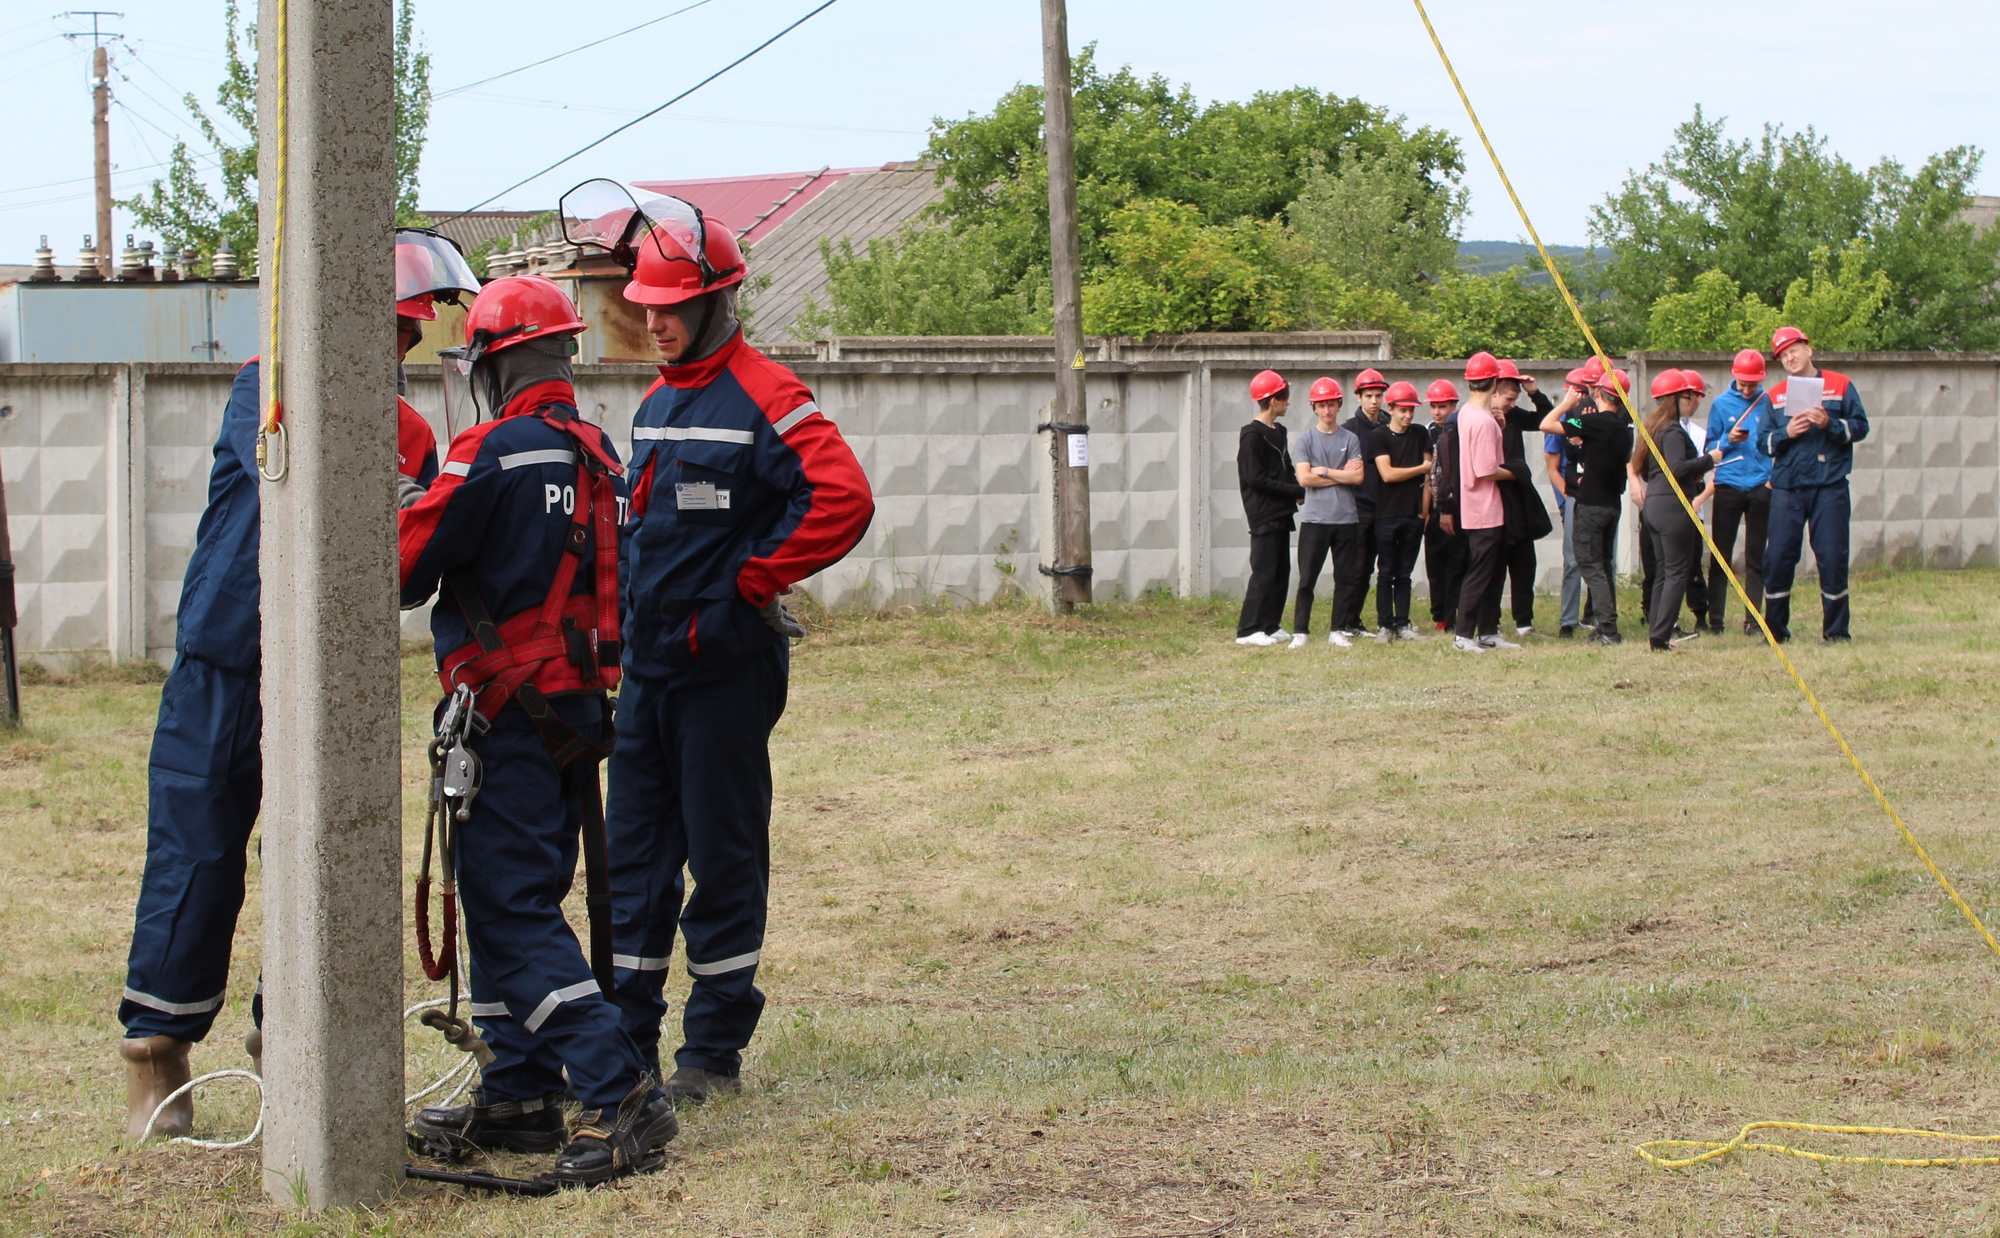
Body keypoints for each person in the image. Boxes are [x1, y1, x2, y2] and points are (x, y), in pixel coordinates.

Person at [117, 230, 473, 1141]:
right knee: (195, 854)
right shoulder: (264, 385)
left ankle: (296, 1043)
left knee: (316, 858)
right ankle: (156, 1052)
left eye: (404, 334)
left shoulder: (415, 434)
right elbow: (307, 481)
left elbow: (410, 555)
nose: (392, 350)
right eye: (384, 328)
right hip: (225, 664)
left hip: (329, 677)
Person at [400, 275, 675, 1185]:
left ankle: (618, 1088)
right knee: (515, 897)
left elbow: (405, 566)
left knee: (511, 910)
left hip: (509, 716)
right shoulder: (598, 452)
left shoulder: (492, 451)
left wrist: (397, 500)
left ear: (494, 364)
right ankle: (519, 1092)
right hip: (576, 711)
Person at [602, 204, 874, 1106]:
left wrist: (752, 584)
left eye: (671, 306)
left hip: (723, 672)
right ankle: (627, 1045)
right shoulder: (655, 401)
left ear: (719, 300)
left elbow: (841, 499)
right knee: (634, 861)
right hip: (648, 676)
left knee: (722, 859)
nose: (653, 320)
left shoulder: (768, 393)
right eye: (646, 305)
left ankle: (711, 1051)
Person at [1762, 325, 1869, 642]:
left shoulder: (1840, 385)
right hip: (1787, 488)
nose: (1789, 358)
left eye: (1793, 350)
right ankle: (1776, 631)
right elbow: (1762, 443)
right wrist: (1787, 433)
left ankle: (1836, 632)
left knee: (1832, 556)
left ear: (1809, 349)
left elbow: (1861, 427)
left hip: (1829, 486)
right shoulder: (1774, 396)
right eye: (1782, 356)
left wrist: (1831, 424)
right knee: (1779, 557)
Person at [1540, 367, 1635, 645]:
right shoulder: (1623, 429)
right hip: (1612, 505)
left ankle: (1608, 629)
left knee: (1589, 564)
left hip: (1590, 505)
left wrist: (1568, 404)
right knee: (1604, 564)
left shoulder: (1593, 424)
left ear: (1599, 393)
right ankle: (1605, 624)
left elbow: (1547, 424)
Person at [1634, 368, 1723, 651]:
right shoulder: (1672, 430)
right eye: (1688, 395)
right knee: (1676, 572)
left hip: (1654, 506)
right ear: (1677, 398)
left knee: (1663, 572)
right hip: (1672, 507)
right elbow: (1676, 468)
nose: (1692, 400)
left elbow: (1649, 472)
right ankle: (1661, 637)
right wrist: (1710, 459)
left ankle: (1656, 632)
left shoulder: (1653, 428)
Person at [1288, 377, 1366, 648]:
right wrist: (1341, 475)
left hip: (1346, 518)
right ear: (1314, 407)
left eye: (1331, 404)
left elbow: (1358, 478)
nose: (1326, 410)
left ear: (1338, 405)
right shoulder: (1305, 440)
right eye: (1321, 405)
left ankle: (1337, 629)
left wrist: (1326, 471)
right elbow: (1304, 480)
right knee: (1307, 578)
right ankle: (1300, 630)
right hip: (1315, 519)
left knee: (1345, 577)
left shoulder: (1351, 438)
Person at [1703, 348, 1774, 635]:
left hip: (1760, 485)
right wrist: (1727, 439)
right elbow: (1708, 449)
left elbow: (1777, 442)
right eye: (1743, 383)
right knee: (1721, 554)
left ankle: (1754, 620)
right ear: (1734, 377)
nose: (1747, 389)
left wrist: (1771, 479)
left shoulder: (1768, 403)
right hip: (1728, 484)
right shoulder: (1720, 405)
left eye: (1752, 384)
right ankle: (1716, 619)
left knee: (1757, 556)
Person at [1236, 369, 1305, 646]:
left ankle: (1270, 623)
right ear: (1272, 400)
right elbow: (1255, 478)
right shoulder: (1252, 435)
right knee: (1263, 571)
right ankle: (1248, 629)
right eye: (1284, 397)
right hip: (1263, 512)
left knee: (1280, 571)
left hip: (1282, 511)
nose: (1288, 402)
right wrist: (1294, 490)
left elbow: (1285, 466)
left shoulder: (1280, 431)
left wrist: (1297, 488)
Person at [1451, 353, 1514, 652]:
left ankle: (1488, 630)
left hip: (1474, 506)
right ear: (1494, 382)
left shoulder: (1467, 413)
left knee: (1491, 572)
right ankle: (1464, 635)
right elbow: (1486, 469)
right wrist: (1514, 473)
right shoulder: (1484, 422)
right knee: (1480, 573)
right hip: (1485, 508)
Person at [1488, 359, 1554, 637]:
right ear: (1493, 392)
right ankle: (1490, 621)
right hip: (1490, 496)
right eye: (1508, 398)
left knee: (1524, 562)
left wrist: (1534, 393)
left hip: (1518, 499)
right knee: (1492, 566)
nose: (1511, 404)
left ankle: (1524, 622)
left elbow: (1547, 419)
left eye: (1515, 399)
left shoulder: (1514, 416)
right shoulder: (1476, 419)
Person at [1371, 382, 1432, 639]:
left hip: (1412, 514)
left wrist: (1424, 512)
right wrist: (1420, 468)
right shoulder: (1379, 436)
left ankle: (1402, 622)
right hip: (1385, 514)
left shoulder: (1420, 433)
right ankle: (1385, 624)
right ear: (1391, 408)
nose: (1407, 416)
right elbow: (1387, 474)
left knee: (1404, 572)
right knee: (1386, 571)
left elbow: (1430, 478)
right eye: (1402, 410)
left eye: (1411, 411)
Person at [1544, 366, 1596, 636]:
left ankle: (1599, 617)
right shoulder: (1566, 421)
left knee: (1600, 559)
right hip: (1573, 496)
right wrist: (1567, 500)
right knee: (1573, 560)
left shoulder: (1595, 420)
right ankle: (1568, 621)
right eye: (1580, 391)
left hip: (1597, 497)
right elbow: (1551, 467)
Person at [1344, 367, 1391, 633]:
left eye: (1378, 395)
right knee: (1357, 567)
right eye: (1369, 395)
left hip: (1386, 507)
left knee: (1381, 568)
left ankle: (1374, 620)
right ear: (1359, 397)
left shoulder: (1390, 424)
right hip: (1359, 508)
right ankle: (1349, 619)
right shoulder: (1350, 430)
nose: (1374, 401)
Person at [1422, 380, 1465, 632]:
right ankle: (1440, 615)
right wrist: (1425, 511)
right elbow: (1428, 476)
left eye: (1443, 406)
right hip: (1435, 504)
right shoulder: (1427, 432)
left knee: (1457, 564)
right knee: (1435, 565)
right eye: (1434, 406)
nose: (1438, 412)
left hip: (1459, 506)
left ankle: (1455, 613)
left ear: (1454, 405)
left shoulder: (1462, 429)